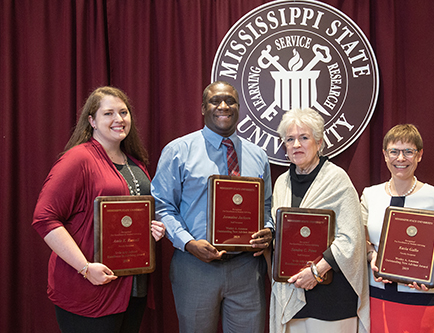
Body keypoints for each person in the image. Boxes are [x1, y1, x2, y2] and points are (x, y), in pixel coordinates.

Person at [32, 86, 166, 333]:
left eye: (124, 112)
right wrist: (85, 268)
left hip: (132, 288)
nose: (119, 119)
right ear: (91, 120)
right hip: (89, 288)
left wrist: (150, 227)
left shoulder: (135, 162)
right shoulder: (78, 159)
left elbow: (127, 217)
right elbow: (45, 218)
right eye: (108, 113)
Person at [151, 81, 274, 333]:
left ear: (239, 108)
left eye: (230, 101)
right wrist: (188, 243)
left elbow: (266, 206)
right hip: (195, 267)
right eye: (215, 101)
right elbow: (162, 206)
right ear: (203, 108)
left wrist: (268, 229)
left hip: (247, 269)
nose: (223, 106)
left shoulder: (258, 155)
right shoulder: (178, 151)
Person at [270, 108, 370, 333]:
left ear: (318, 142)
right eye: (290, 139)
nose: (297, 145)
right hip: (292, 292)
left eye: (304, 138)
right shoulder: (281, 183)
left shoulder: (337, 179)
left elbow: (351, 237)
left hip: (332, 297)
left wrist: (316, 272)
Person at [362, 124, 434, 332]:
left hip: (419, 294)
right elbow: (363, 240)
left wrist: (427, 269)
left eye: (408, 151)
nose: (401, 158)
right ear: (385, 155)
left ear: (419, 155)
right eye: (394, 151)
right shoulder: (370, 195)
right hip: (375, 291)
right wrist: (372, 256)